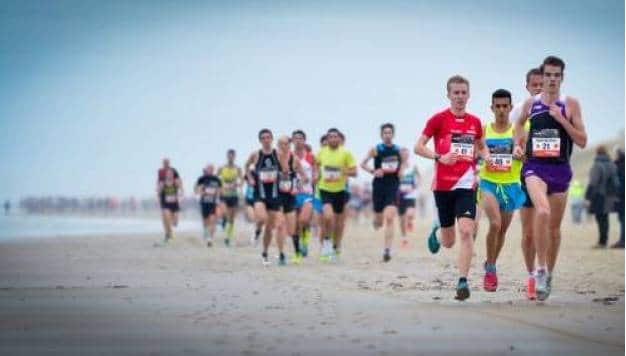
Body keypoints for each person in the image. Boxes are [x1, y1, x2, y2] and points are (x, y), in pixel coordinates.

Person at [513, 56, 587, 301]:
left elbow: (582, 141)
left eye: (557, 75)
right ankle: (540, 269)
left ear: (562, 78)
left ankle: (548, 275)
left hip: (560, 170)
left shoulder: (571, 104)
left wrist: (561, 119)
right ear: (542, 78)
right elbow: (519, 125)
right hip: (535, 168)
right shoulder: (530, 104)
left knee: (554, 230)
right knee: (542, 212)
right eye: (549, 75)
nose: (552, 79)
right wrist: (518, 145)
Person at [415, 75, 489, 300]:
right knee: (449, 241)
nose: (459, 97)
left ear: (468, 95)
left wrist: (488, 157)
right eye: (455, 93)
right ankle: (437, 234)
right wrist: (440, 157)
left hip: (466, 184)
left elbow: (481, 147)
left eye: (463, 92)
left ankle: (463, 281)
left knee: (467, 231)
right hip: (443, 186)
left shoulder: (475, 122)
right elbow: (418, 147)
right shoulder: (438, 119)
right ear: (448, 95)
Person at [478, 89, 526, 292]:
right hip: (488, 182)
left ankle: (491, 262)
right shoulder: (484, 129)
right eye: (497, 106)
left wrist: (520, 154)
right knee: (495, 224)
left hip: (511, 184)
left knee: (502, 230)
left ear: (510, 107)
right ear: (492, 108)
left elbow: (528, 156)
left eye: (505, 106)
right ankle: (490, 271)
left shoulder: (518, 130)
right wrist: (484, 154)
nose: (501, 110)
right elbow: (477, 149)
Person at [510, 67, 543, 300]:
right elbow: (511, 139)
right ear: (528, 87)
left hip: (551, 175)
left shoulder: (559, 109)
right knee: (529, 233)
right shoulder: (519, 112)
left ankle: (543, 271)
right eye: (535, 85)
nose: (540, 88)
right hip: (525, 174)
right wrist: (517, 149)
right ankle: (531, 275)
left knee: (548, 229)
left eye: (543, 84)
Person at [361, 123, 404, 262]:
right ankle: (376, 221)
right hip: (379, 186)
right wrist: (373, 171)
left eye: (389, 132)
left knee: (390, 217)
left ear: (393, 134)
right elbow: (363, 164)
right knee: (379, 221)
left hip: (393, 185)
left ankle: (387, 249)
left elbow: (402, 164)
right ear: (381, 135)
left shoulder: (398, 150)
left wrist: (401, 172)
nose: (387, 135)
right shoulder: (375, 149)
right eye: (385, 133)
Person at [245, 129, 287, 266]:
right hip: (260, 194)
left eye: (268, 137)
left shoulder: (278, 154)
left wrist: (281, 174)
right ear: (260, 140)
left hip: (274, 195)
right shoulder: (256, 155)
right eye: (263, 138)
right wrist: (250, 178)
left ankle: (265, 253)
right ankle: (257, 232)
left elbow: (285, 171)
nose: (266, 140)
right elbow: (246, 167)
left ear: (272, 139)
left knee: (270, 227)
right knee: (262, 218)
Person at [314, 128, 357, 261]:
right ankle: (326, 242)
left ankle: (336, 247)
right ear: (327, 139)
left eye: (335, 137)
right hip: (324, 189)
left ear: (339, 139)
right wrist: (316, 175)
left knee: (339, 224)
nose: (333, 139)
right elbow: (316, 166)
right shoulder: (321, 152)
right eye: (330, 137)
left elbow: (354, 172)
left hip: (340, 191)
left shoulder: (346, 153)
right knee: (328, 217)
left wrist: (343, 171)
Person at [275, 135, 307, 264]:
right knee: (279, 225)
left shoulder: (294, 159)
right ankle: (281, 254)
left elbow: (304, 177)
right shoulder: (272, 158)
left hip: (290, 196)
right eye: (281, 144)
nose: (283, 146)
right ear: (277, 145)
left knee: (292, 229)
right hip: (276, 196)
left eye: (286, 144)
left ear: (290, 145)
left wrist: (298, 186)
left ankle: (297, 251)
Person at [585, 146, 618, 248]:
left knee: (600, 218)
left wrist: (587, 196)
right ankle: (604, 240)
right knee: (605, 218)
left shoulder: (597, 165)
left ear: (597, 153)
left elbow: (593, 182)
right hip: (611, 195)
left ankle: (602, 242)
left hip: (599, 195)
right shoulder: (612, 164)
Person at [292, 130, 315, 258]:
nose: (298, 140)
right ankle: (298, 250)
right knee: (294, 224)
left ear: (304, 140)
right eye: (295, 138)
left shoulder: (311, 157)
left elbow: (316, 173)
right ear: (292, 141)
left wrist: (315, 177)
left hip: (307, 193)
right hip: (292, 194)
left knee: (304, 220)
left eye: (300, 138)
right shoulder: (287, 156)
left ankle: (305, 240)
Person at [218, 149, 243, 247]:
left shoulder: (238, 168)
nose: (231, 157)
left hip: (233, 195)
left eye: (232, 156)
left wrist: (237, 184)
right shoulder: (222, 168)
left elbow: (241, 181)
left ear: (235, 157)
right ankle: (223, 221)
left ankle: (228, 237)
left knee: (232, 218)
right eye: (229, 156)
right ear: (227, 156)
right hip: (224, 195)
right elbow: (216, 179)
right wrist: (221, 186)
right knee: (224, 213)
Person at [397, 147, 421, 248]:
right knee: (402, 218)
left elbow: (419, 176)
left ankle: (410, 221)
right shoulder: (396, 167)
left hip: (410, 194)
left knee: (410, 214)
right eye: (402, 154)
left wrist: (416, 185)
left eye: (406, 154)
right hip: (399, 194)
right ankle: (404, 237)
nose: (404, 156)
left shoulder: (413, 166)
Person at [156, 159, 184, 243]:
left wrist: (181, 193)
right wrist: (159, 191)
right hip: (165, 203)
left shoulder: (175, 179)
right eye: (167, 174)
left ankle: (169, 232)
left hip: (174, 204)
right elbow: (158, 190)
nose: (169, 175)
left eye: (170, 174)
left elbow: (181, 187)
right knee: (166, 216)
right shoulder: (161, 176)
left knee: (175, 223)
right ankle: (169, 235)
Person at [194, 164, 222, 246]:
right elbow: (196, 189)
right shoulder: (202, 179)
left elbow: (220, 190)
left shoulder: (216, 179)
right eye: (208, 169)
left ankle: (210, 238)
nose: (210, 170)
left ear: (213, 170)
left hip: (213, 202)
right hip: (204, 202)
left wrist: (218, 197)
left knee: (213, 219)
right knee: (205, 221)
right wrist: (201, 193)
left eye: (211, 169)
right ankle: (206, 233)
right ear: (206, 169)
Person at [613, 148, 625, 248]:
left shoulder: (619, 166)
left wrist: (617, 194)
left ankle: (623, 240)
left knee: (622, 218)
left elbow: (619, 183)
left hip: (621, 197)